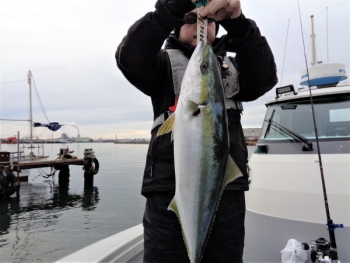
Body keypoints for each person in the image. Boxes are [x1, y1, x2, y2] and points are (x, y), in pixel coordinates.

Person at [116, 0, 277, 262]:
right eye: (189, 20)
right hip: (168, 191)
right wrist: (170, 8)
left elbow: (264, 78)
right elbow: (129, 57)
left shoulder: (232, 68)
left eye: (208, 21)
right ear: (177, 27)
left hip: (227, 194)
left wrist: (237, 21)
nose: (199, 25)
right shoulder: (160, 66)